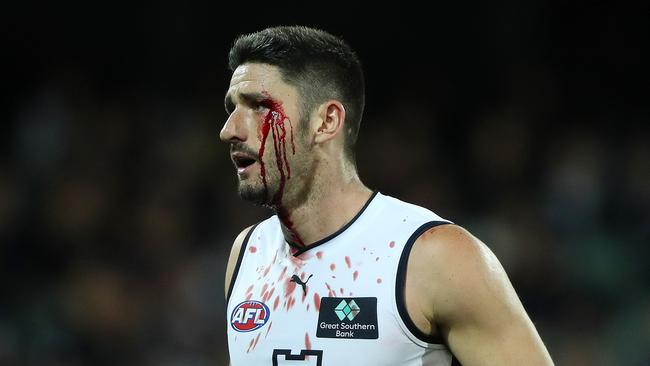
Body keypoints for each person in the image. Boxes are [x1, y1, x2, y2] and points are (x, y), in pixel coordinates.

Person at [220, 26, 553, 366]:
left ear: (326, 121)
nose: (229, 129)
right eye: (232, 107)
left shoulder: (434, 256)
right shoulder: (248, 254)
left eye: (259, 106)